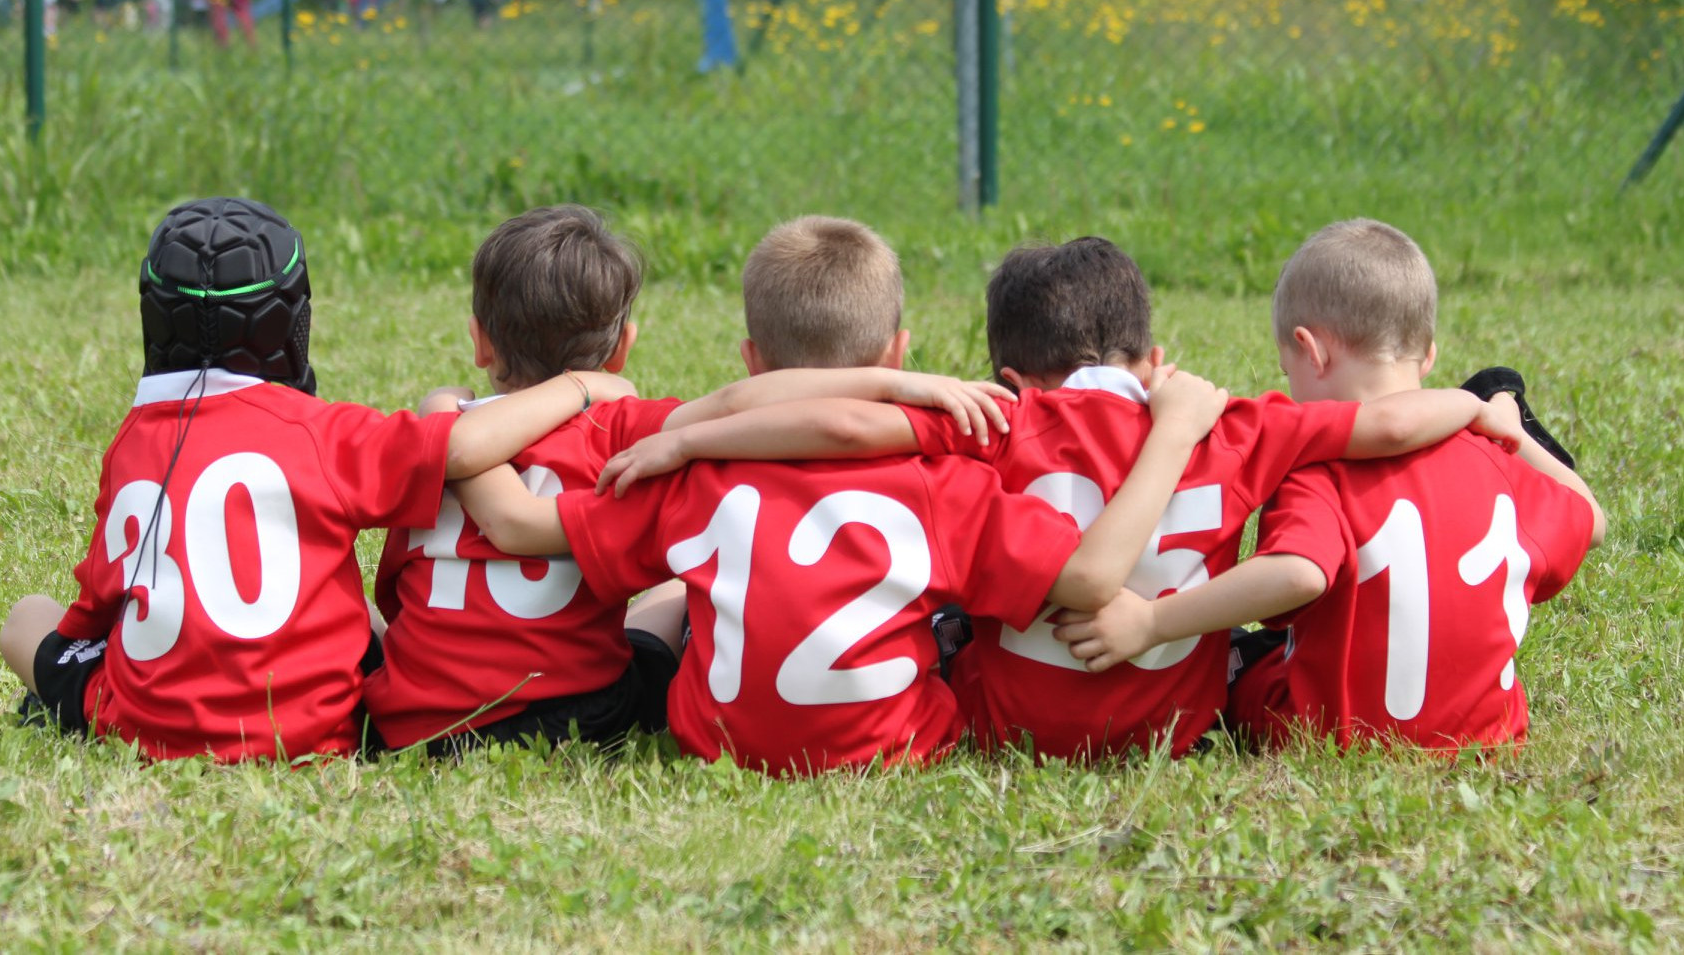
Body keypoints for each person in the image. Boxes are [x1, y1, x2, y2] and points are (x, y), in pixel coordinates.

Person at [591, 235, 1527, 761]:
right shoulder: (1238, 423)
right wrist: (1490, 403)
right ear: (1155, 362)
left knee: (933, 600)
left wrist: (691, 436)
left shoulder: (995, 424)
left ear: (1010, 374)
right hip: (1177, 727)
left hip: (1009, 727)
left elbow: (837, 424)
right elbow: (1395, 426)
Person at [452, 216, 1233, 775]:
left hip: (712, 743)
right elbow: (1083, 579)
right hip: (895, 748)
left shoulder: (687, 475)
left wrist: (450, 426)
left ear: (754, 362)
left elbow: (527, 528)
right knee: (952, 611)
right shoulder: (949, 484)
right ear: (899, 349)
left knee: (683, 584)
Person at [0, 197, 636, 763]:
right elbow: (462, 447)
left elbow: (97, 606)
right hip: (312, 730)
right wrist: (582, 385)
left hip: (140, 725)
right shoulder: (323, 431)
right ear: (292, 319)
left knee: (25, 617)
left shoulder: (133, 439)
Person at [366, 207, 1016, 756]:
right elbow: (743, 401)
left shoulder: (420, 436)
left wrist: (437, 412)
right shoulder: (623, 428)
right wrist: (894, 386)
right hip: (580, 718)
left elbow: (393, 592)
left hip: (413, 722)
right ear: (624, 349)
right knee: (678, 589)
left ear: (480, 342)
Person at [1056, 219, 1603, 753]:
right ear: (1429, 354)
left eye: (1286, 370)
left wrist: (1152, 621)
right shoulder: (1497, 463)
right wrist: (1507, 429)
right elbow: (1592, 520)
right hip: (1486, 735)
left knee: (1224, 658)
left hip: (1327, 734)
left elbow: (1297, 575)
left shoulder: (1320, 469)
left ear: (1310, 350)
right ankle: (1505, 393)